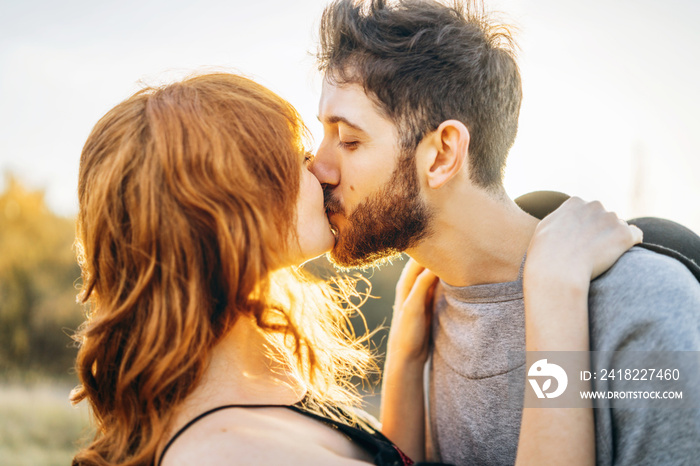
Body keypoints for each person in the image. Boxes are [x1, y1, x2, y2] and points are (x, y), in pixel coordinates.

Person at [70, 73, 640, 465]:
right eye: (293, 156)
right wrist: (554, 300)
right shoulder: (227, 453)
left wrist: (406, 362)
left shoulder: (234, 386)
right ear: (228, 212)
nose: (319, 166)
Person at [312, 1, 700, 465]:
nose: (319, 167)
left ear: (442, 155)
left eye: (349, 140)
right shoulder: (428, 312)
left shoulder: (645, 307)